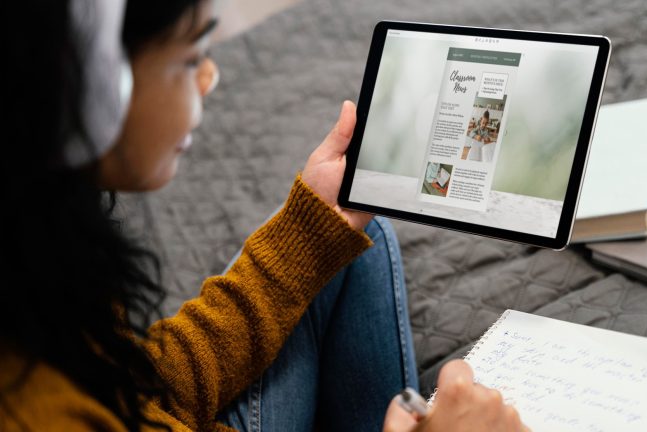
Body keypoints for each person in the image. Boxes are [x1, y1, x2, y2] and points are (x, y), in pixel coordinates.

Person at [0, 1, 529, 431]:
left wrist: (309, 230)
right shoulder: (33, 410)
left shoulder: (39, 269)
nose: (210, 77)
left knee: (347, 235)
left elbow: (141, 392)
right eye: (190, 58)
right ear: (92, 89)